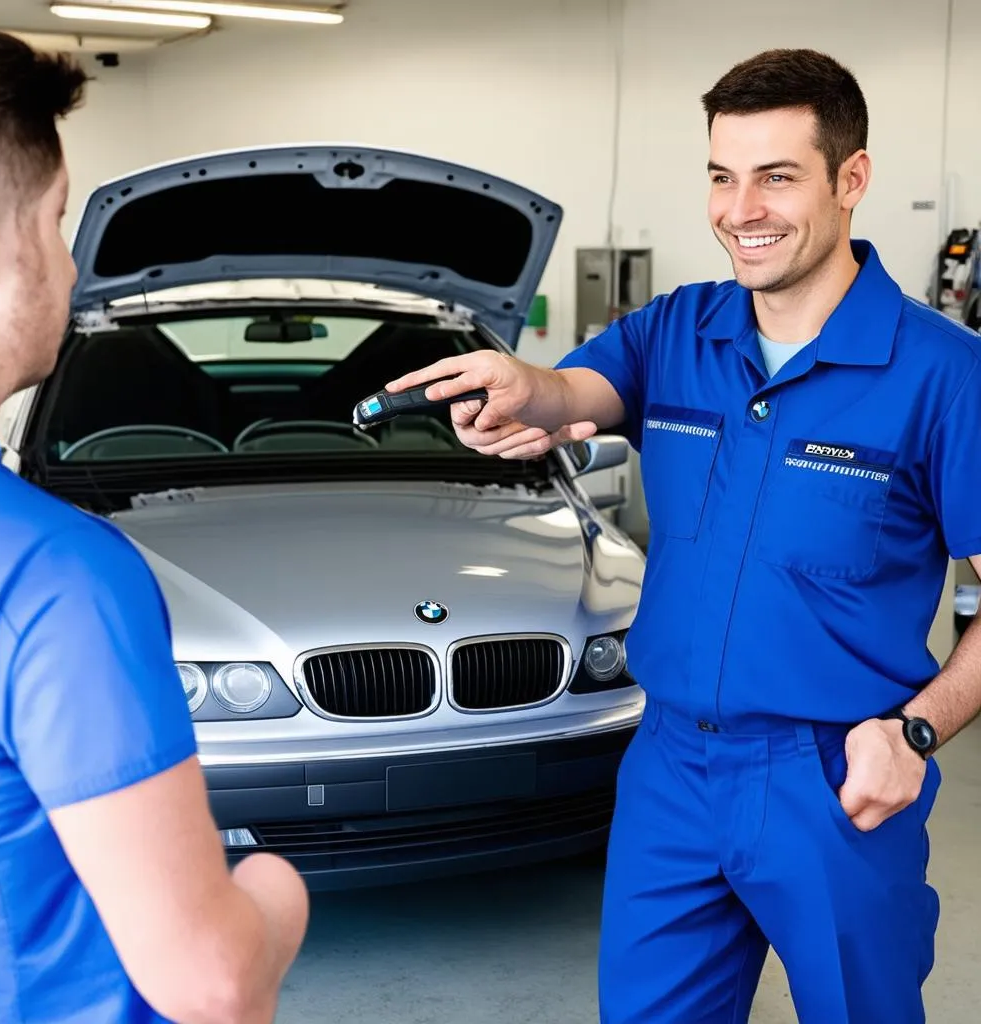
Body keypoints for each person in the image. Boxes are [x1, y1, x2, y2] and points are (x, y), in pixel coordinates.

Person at [387, 47, 981, 1023]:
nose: (739, 208)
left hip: (834, 777)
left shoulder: (943, 374)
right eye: (720, 175)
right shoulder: (675, 330)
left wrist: (915, 733)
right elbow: (570, 392)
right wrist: (516, 384)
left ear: (851, 180)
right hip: (668, 768)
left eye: (776, 176)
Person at [0, 29, 309, 1024]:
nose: (71, 271)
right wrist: (273, 890)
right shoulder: (54, 575)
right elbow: (212, 984)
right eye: (59, 223)